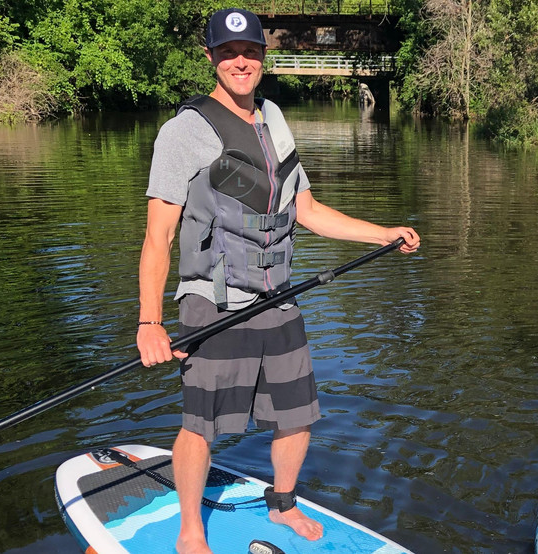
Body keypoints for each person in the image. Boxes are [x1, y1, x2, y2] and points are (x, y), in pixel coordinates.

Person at [135, 8, 420, 554]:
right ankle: (191, 530)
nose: (240, 62)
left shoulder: (274, 118)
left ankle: (283, 504)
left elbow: (307, 210)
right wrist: (150, 321)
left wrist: (381, 233)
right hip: (213, 302)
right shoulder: (183, 133)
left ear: (262, 55)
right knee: (203, 424)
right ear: (211, 57)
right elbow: (158, 237)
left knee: (298, 414)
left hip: (277, 295)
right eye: (227, 52)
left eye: (249, 52)